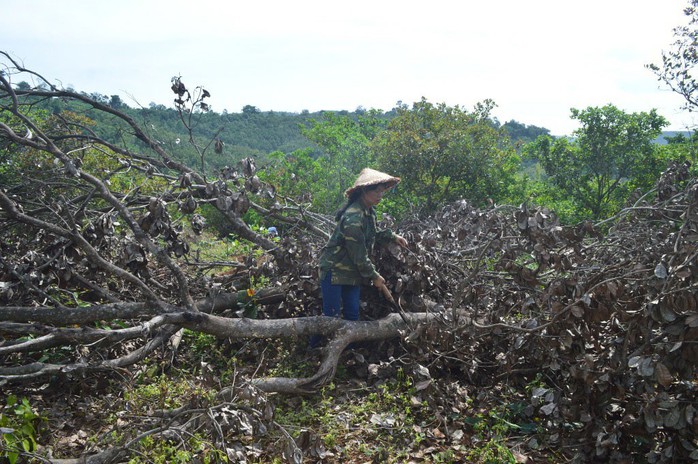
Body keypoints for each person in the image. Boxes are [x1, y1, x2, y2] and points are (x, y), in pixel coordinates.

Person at [310, 168, 408, 348]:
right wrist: (374, 276)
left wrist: (392, 236)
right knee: (330, 316)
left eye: (382, 191)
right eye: (376, 191)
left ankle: (350, 354)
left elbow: (371, 236)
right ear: (364, 191)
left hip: (352, 273)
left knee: (352, 315)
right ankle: (312, 350)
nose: (380, 195)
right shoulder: (353, 216)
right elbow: (359, 254)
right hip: (335, 270)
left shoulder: (368, 212)